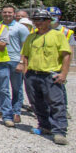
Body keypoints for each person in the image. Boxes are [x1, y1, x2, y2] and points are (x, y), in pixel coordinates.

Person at [19, 9, 70, 145]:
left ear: (48, 21)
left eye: (41, 20)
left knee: (56, 103)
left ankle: (59, 131)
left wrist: (64, 73)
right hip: (32, 74)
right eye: (35, 20)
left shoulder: (57, 35)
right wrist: (25, 71)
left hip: (50, 74)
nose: (38, 23)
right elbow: (25, 55)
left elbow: (66, 55)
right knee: (36, 102)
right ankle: (44, 126)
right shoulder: (31, 37)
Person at [1, 5, 29, 123]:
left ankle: (16, 111)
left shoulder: (20, 28)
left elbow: (26, 46)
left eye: (9, 12)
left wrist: (22, 62)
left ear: (14, 14)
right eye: (5, 12)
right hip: (1, 60)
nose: (7, 14)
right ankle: (7, 111)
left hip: (15, 60)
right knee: (3, 88)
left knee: (16, 88)